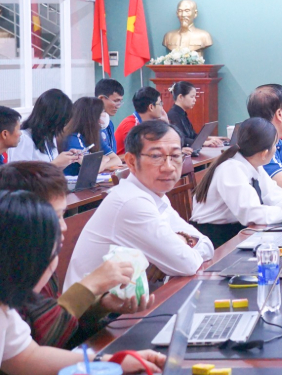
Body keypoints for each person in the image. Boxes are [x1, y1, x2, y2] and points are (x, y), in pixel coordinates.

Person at [0, 190, 164, 375]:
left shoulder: (5, 305)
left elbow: (27, 357)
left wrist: (113, 363)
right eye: (53, 252)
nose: (52, 264)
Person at [0, 162, 151, 348]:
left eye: (63, 215)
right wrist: (91, 284)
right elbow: (37, 344)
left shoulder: (40, 259)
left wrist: (101, 306)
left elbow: (57, 330)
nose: (64, 226)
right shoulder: (13, 272)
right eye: (55, 217)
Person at [65, 120, 214, 288]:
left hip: (126, 295)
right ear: (131, 161)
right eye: (156, 156)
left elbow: (207, 246)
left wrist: (180, 241)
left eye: (175, 156)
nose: (169, 167)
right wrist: (183, 243)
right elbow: (187, 264)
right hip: (91, 303)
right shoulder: (131, 202)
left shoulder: (154, 195)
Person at [190, 117, 282, 247]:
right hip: (214, 238)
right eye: (275, 145)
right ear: (264, 153)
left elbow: (273, 195)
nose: (275, 149)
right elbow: (252, 214)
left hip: (232, 231)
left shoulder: (253, 164)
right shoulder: (231, 169)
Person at [8, 89, 81, 170]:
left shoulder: (49, 136)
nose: (63, 126)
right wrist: (55, 163)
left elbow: (53, 171)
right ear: (52, 119)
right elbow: (19, 174)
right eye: (61, 122)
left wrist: (66, 161)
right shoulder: (23, 139)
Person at [58, 97, 122, 175]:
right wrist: (105, 159)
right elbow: (92, 168)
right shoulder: (73, 137)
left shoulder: (94, 134)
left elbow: (117, 160)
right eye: (102, 112)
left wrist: (103, 163)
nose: (105, 115)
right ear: (91, 116)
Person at [166, 81, 224, 149]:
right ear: (180, 97)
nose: (195, 100)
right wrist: (204, 143)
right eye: (192, 97)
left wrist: (210, 138)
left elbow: (192, 135)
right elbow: (181, 139)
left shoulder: (182, 114)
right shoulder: (173, 115)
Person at [114, 87, 167, 154]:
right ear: (151, 107)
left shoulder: (149, 124)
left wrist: (165, 125)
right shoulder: (131, 125)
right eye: (160, 104)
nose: (162, 107)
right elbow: (137, 154)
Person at [94, 78, 124, 154]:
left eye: (120, 102)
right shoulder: (90, 124)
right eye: (115, 101)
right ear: (101, 98)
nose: (118, 106)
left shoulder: (110, 124)